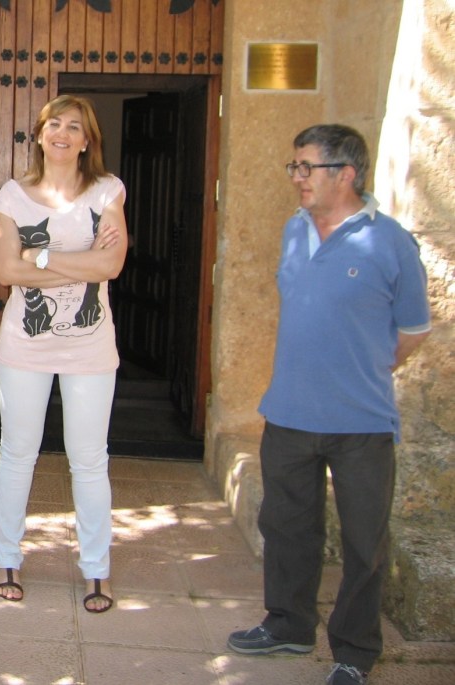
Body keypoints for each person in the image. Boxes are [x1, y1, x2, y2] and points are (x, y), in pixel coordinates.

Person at [227, 125, 432, 685]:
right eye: (293, 167)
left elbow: (414, 330)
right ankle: (289, 625)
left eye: (306, 167)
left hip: (361, 421)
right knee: (287, 528)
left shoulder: (390, 241)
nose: (296, 177)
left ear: (346, 174)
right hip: (289, 413)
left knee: (365, 543)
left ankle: (355, 652)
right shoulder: (295, 229)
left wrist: (364, 369)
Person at [0, 95, 127, 613]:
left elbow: (111, 266)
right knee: (17, 452)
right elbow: (7, 272)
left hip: (90, 347)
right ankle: (6, 557)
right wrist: (82, 259)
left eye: (74, 127)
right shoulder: (13, 196)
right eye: (54, 125)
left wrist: (40, 256)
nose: (63, 134)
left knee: (89, 460)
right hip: (24, 344)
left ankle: (96, 568)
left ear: (87, 140)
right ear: (41, 135)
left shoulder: (107, 191)